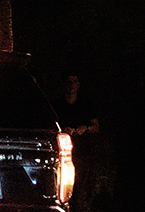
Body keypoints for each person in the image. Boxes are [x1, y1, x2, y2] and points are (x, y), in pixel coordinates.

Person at [54, 74, 101, 212]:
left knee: (79, 187)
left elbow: (96, 127)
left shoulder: (85, 104)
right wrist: (63, 130)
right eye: (68, 82)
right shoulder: (57, 104)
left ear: (78, 85)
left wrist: (85, 128)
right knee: (61, 188)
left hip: (82, 153)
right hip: (62, 153)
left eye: (74, 82)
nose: (71, 85)